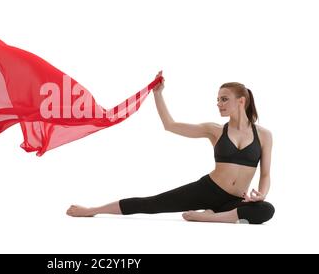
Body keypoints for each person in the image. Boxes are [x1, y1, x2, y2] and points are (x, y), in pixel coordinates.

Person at [66, 71, 275, 224]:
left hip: (236, 200)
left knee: (266, 210)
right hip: (207, 190)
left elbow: (264, 174)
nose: (219, 103)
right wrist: (158, 94)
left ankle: (209, 218)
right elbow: (170, 125)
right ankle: (91, 210)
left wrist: (261, 194)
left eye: (224, 99)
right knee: (151, 204)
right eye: (218, 100)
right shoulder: (215, 130)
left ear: (241, 101)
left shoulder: (264, 135)